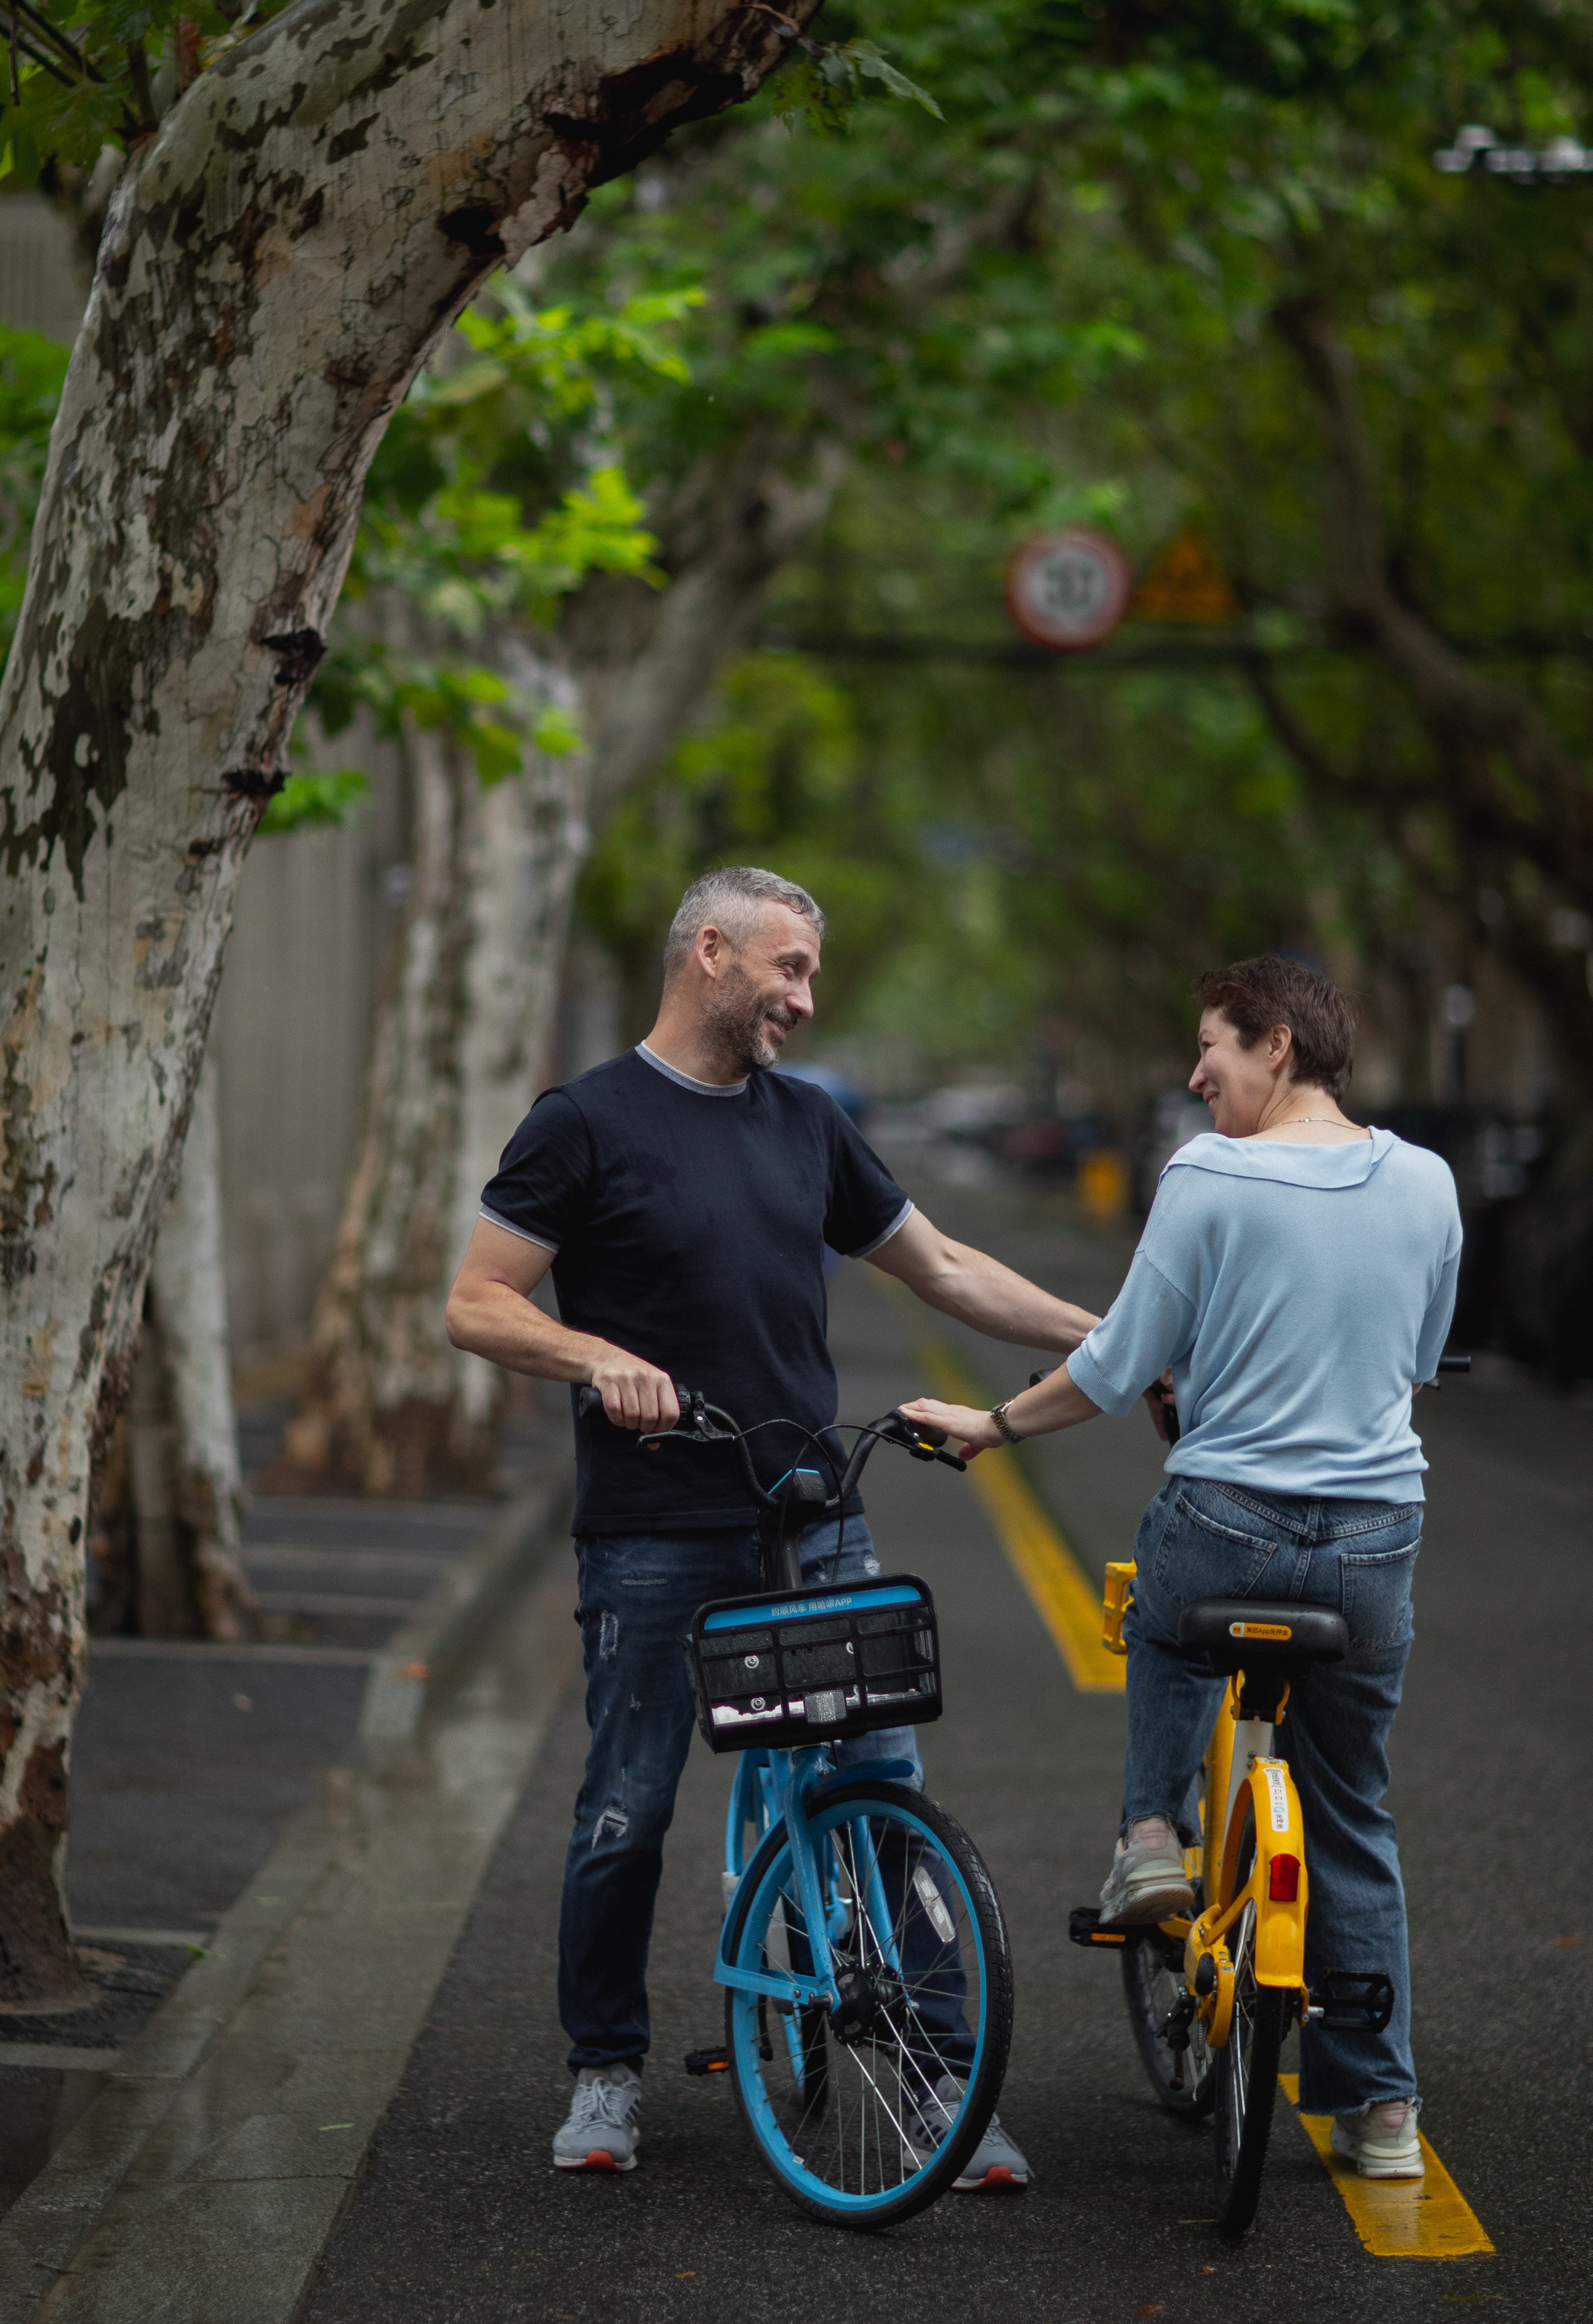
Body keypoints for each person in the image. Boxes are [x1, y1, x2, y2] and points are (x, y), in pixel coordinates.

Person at [445, 865, 1100, 2187]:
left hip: (814, 1515)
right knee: (626, 1807)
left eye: (809, 971)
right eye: (788, 968)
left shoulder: (809, 1126)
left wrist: (1117, 1337)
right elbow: (475, 1304)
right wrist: (592, 1359)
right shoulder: (583, 1122)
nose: (805, 996)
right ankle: (605, 2078)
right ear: (709, 956)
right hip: (651, 1528)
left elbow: (948, 1269)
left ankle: (930, 2084)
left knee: (879, 1786)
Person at [901, 956, 1461, 2181]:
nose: (1196, 1073)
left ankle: (1151, 1835)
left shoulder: (1205, 1176)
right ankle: (1382, 2117)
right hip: (1376, 1538)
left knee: (1159, 1620)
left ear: (1276, 1045)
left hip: (1229, 1520)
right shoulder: (1427, 1181)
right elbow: (1417, 1358)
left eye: (1212, 1047)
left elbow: (1110, 1370)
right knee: (1351, 1809)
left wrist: (993, 1427)